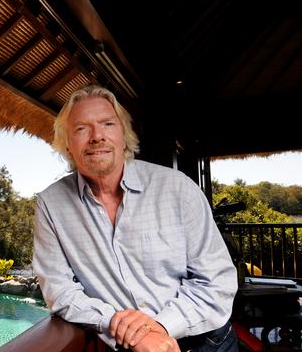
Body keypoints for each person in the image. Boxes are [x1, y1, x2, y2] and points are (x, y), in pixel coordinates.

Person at [33, 85, 238, 352]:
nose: (97, 136)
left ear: (124, 136)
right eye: (82, 128)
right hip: (129, 346)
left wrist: (160, 328)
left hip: (206, 342)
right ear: (68, 146)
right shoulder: (51, 204)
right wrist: (119, 325)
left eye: (107, 124)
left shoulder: (177, 188)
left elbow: (217, 280)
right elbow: (59, 291)